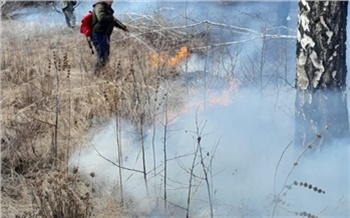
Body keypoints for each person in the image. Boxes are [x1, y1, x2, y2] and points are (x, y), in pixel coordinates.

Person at [91, 0, 129, 74]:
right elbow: (101, 18)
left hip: (105, 34)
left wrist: (123, 27)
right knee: (102, 53)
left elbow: (113, 21)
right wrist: (112, 18)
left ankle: (102, 72)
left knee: (106, 54)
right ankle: (97, 73)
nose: (112, 1)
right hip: (99, 34)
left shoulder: (107, 7)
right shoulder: (99, 6)